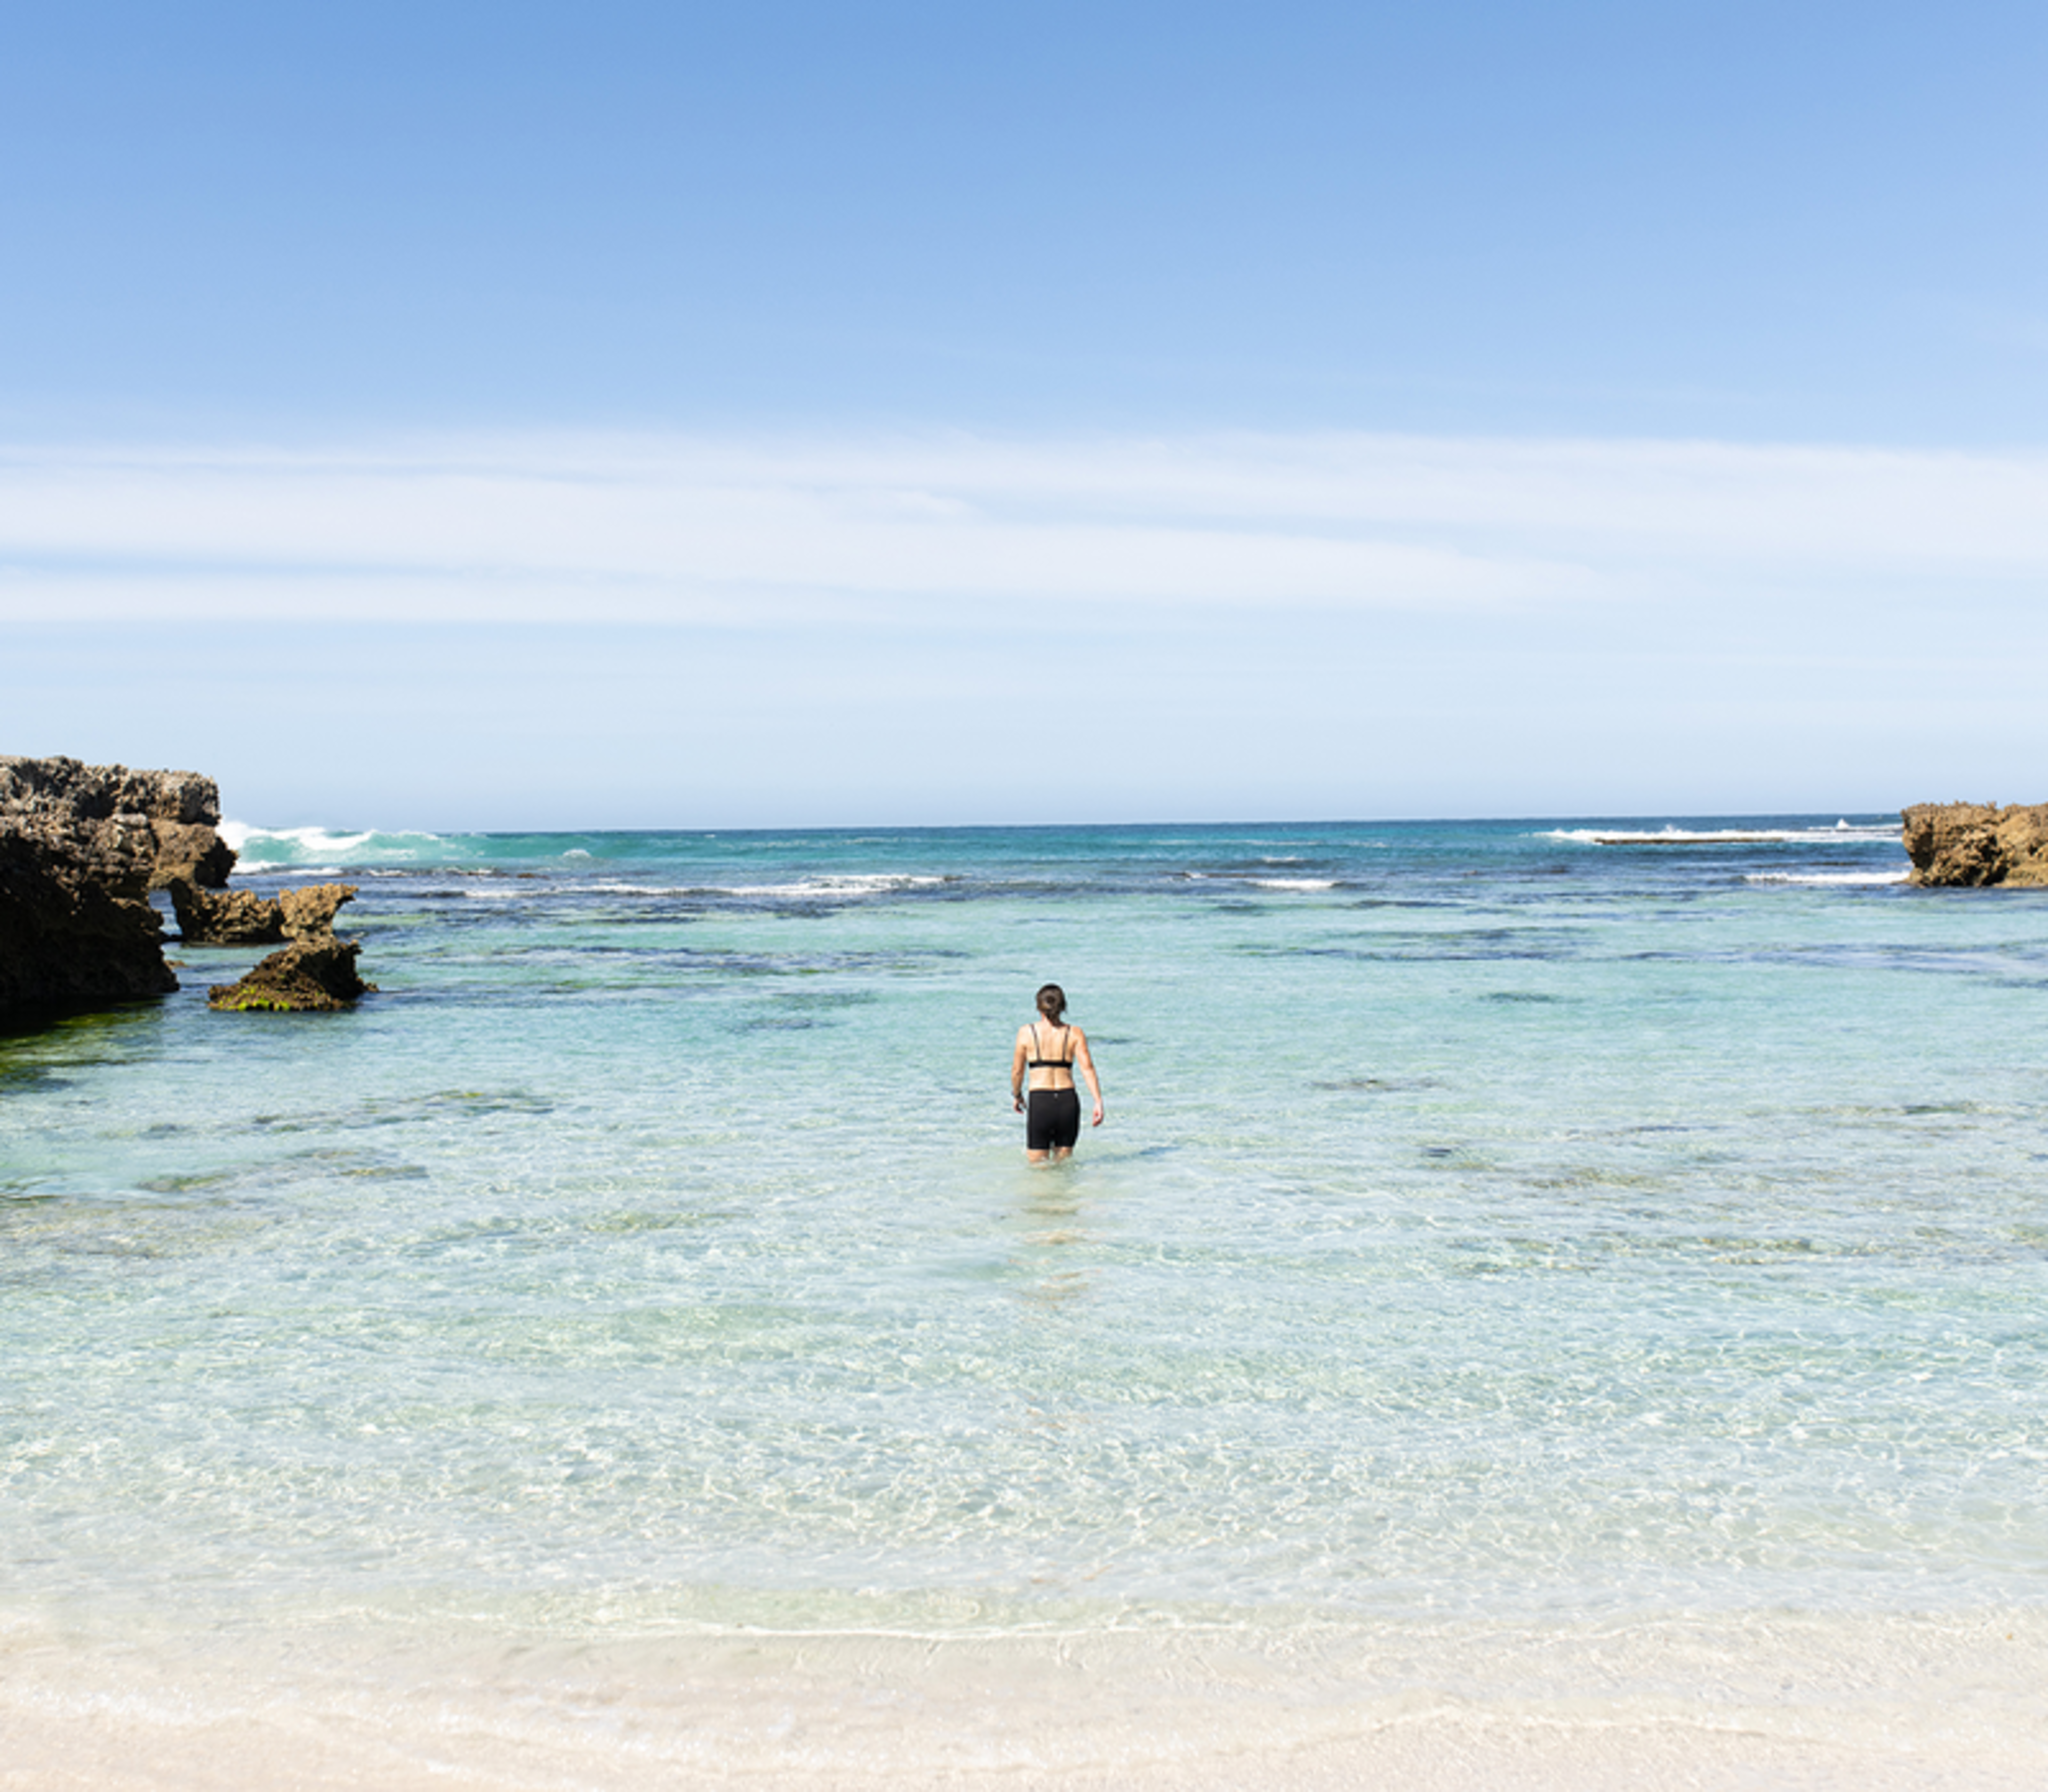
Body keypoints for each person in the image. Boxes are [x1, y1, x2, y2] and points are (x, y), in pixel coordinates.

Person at [1010, 982, 1103, 1163]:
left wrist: (1017, 1095)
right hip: (1067, 1101)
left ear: (1039, 1007)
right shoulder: (1075, 1033)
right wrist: (1098, 1101)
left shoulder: (1026, 1032)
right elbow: (1088, 1068)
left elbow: (1017, 1071)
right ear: (1063, 1007)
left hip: (1040, 1101)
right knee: (1064, 1166)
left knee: (1038, 1169)